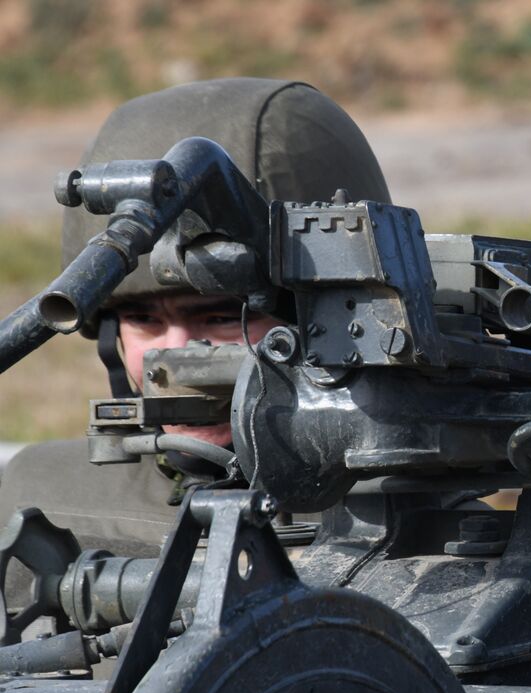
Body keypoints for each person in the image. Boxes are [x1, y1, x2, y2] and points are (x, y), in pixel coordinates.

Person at [0, 78, 391, 559]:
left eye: (223, 317)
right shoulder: (40, 496)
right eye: (143, 318)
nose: (177, 356)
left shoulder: (403, 510)